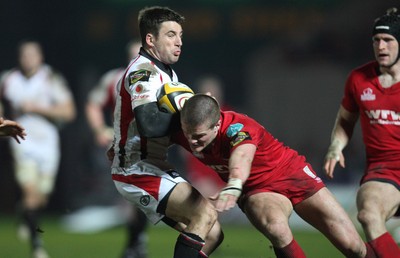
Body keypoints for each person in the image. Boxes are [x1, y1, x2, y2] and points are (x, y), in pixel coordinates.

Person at [175, 93, 375, 258]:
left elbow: (242, 156)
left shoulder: (239, 128)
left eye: (199, 137)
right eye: (188, 134)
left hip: (292, 173)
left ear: (217, 125)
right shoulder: (185, 131)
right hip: (257, 189)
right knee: (276, 228)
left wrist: (234, 183)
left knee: (353, 246)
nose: (192, 142)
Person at [109, 6, 223, 258]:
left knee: (212, 233)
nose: (179, 41)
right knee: (204, 215)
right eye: (171, 34)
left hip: (153, 166)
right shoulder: (144, 72)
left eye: (180, 35)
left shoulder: (165, 72)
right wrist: (189, 116)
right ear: (150, 39)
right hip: (136, 170)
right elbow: (150, 125)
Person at [323, 7, 400, 258]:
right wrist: (336, 147)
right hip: (384, 169)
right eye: (376, 41)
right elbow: (346, 120)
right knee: (367, 214)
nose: (382, 46)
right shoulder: (359, 78)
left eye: (388, 40)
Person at [0, 40, 76, 258]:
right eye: (24, 55)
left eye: (32, 55)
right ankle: (37, 247)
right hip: (22, 143)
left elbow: (69, 112)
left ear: (40, 57)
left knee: (40, 199)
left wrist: (38, 108)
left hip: (48, 144)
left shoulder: (51, 78)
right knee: (31, 194)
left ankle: (23, 212)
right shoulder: (9, 79)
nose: (28, 59)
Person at [85, 40, 148, 258]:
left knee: (143, 196)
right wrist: (98, 129)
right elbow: (93, 103)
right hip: (124, 146)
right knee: (133, 195)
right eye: (133, 55)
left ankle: (136, 243)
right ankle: (135, 244)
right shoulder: (114, 79)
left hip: (152, 146)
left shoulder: (159, 77)